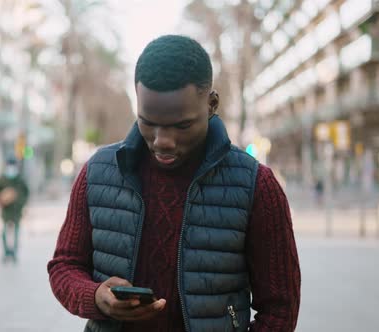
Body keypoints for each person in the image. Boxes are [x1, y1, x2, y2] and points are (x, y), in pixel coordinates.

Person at [48, 35, 300, 332]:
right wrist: (96, 296)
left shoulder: (257, 185)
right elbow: (64, 267)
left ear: (212, 104)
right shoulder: (98, 172)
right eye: (148, 122)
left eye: (182, 125)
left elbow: (280, 308)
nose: (163, 141)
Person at [0, 157, 30, 263]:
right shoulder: (2, 178)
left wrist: (20, 202)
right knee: (4, 232)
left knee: (16, 232)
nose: (11, 167)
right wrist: (1, 199)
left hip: (17, 210)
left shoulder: (20, 179)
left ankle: (14, 252)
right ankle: (6, 252)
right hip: (6, 210)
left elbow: (26, 193)